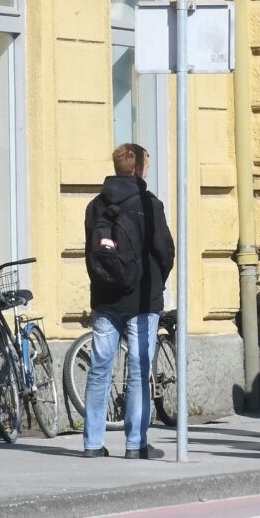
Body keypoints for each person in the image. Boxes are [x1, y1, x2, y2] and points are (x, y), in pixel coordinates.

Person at [80, 143, 174, 460]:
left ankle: (92, 443)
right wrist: (157, 279)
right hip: (142, 299)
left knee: (99, 369)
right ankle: (136, 443)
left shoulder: (95, 205)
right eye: (146, 164)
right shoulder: (148, 204)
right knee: (138, 370)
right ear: (137, 169)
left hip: (106, 299)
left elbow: (90, 253)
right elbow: (165, 250)